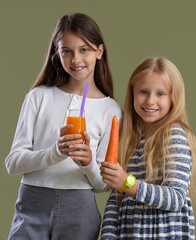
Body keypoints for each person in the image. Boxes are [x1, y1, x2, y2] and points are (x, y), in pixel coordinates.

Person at [5, 13, 121, 239]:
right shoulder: (38, 97)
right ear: (56, 54)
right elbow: (12, 163)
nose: (76, 59)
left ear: (99, 51)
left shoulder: (112, 111)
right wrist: (54, 153)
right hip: (31, 205)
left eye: (84, 49)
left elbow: (101, 185)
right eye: (66, 51)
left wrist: (88, 163)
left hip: (80, 211)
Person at [100, 57, 196, 240]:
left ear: (173, 98)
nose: (150, 101)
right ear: (132, 93)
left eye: (160, 94)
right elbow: (116, 201)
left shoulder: (173, 135)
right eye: (143, 92)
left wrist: (127, 183)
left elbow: (176, 198)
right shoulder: (129, 139)